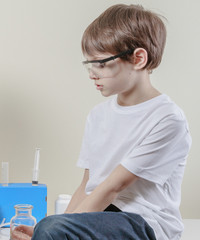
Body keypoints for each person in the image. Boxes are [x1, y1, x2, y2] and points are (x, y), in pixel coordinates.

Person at [11, 4, 191, 240]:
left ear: (138, 58)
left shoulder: (167, 119)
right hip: (102, 215)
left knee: (50, 229)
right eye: (89, 64)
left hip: (144, 223)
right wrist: (56, 226)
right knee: (48, 227)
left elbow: (113, 187)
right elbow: (88, 184)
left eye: (101, 63)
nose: (92, 74)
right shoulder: (98, 115)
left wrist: (54, 230)